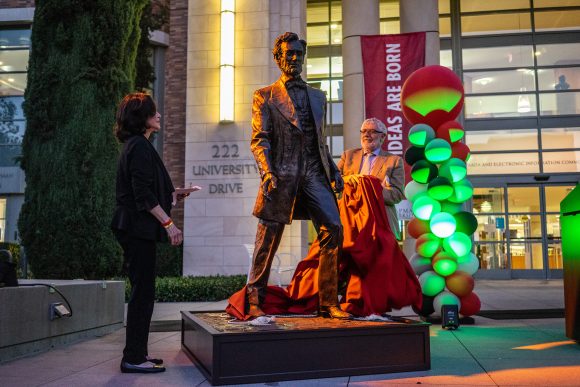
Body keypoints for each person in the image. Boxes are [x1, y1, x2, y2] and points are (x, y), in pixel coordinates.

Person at [247, 32, 350, 319]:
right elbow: (260, 139)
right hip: (282, 173)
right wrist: (266, 172)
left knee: (334, 228)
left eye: (298, 54)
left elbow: (320, 139)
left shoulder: (318, 97)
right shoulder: (265, 96)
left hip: (315, 172)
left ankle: (328, 302)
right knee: (267, 237)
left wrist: (333, 169)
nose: (294, 58)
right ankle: (255, 298)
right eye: (288, 54)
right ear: (278, 58)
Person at [111, 93, 191, 373]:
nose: (159, 116)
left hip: (137, 228)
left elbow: (146, 191)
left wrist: (174, 195)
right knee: (142, 294)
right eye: (153, 112)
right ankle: (133, 358)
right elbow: (141, 194)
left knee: (144, 293)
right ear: (141, 118)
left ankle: (138, 354)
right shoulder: (139, 147)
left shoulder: (139, 146)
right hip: (137, 229)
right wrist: (169, 224)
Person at [338, 117, 405, 239]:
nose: (367, 135)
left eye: (372, 131)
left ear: (383, 137)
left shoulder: (394, 161)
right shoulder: (348, 156)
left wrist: (371, 188)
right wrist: (347, 180)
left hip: (379, 222)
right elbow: (333, 181)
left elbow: (398, 194)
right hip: (350, 219)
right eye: (363, 131)